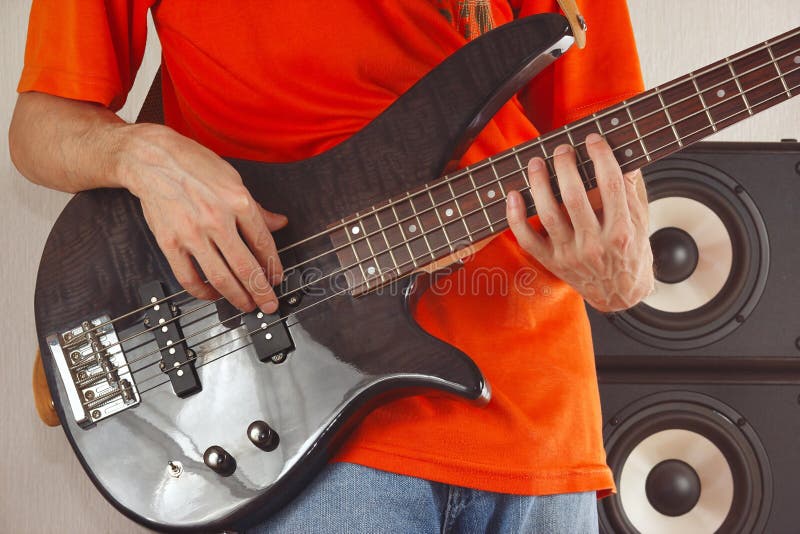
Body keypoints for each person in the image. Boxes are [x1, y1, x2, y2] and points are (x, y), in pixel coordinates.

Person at [9, 1, 653, 532]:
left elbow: (606, 140)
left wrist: (625, 273)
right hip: (312, 424)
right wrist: (144, 157)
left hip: (545, 433)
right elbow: (39, 126)